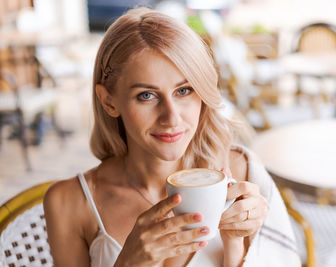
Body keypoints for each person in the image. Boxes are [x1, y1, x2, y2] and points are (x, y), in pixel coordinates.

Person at [43, 7, 300, 267]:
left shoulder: (242, 174)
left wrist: (236, 242)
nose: (172, 118)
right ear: (109, 102)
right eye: (146, 95)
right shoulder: (69, 203)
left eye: (184, 90)